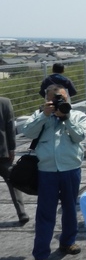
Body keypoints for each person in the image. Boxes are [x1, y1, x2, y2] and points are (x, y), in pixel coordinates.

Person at [22, 85, 86, 260]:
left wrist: (65, 118)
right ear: (46, 99)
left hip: (71, 168)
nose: (59, 102)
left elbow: (80, 136)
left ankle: (68, 242)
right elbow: (28, 133)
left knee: (70, 208)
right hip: (47, 170)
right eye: (54, 99)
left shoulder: (76, 115)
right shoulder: (40, 114)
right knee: (45, 212)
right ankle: (41, 254)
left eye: (62, 99)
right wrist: (44, 115)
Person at [0, 96, 29, 224]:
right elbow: (10, 126)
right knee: (13, 182)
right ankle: (21, 213)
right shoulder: (5, 102)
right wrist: (12, 148)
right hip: (3, 151)